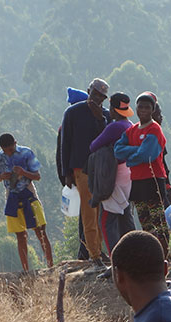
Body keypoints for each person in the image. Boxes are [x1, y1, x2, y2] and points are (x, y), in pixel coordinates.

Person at [60, 78, 110, 264]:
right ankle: (94, 254)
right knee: (89, 212)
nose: (98, 99)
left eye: (101, 97)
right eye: (95, 94)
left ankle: (99, 249)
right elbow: (66, 143)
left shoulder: (105, 115)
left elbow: (108, 137)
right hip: (81, 169)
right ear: (89, 90)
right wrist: (67, 172)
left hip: (102, 169)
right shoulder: (73, 112)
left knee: (102, 212)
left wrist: (100, 119)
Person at [114, 91, 171, 251]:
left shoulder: (155, 129)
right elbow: (117, 150)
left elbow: (147, 155)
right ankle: (152, 252)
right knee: (144, 220)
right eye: (141, 107)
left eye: (147, 107)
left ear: (153, 110)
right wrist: (138, 150)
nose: (143, 110)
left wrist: (131, 158)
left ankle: (164, 253)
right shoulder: (131, 131)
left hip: (153, 180)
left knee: (158, 220)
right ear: (136, 109)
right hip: (137, 181)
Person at [0, 133, 53, 272]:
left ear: (15, 143)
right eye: (6, 151)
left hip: (28, 193)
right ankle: (26, 271)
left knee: (40, 231)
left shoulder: (26, 153)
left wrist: (23, 172)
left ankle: (51, 267)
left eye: (11, 150)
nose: (9, 153)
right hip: (11, 196)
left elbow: (37, 176)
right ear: (1, 148)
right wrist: (2, 176)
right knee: (20, 235)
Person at [90, 93, 136, 255]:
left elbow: (94, 146)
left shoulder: (114, 127)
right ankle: (132, 253)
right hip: (128, 173)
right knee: (125, 216)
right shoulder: (129, 124)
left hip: (114, 174)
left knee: (107, 220)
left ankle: (115, 259)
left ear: (113, 110)